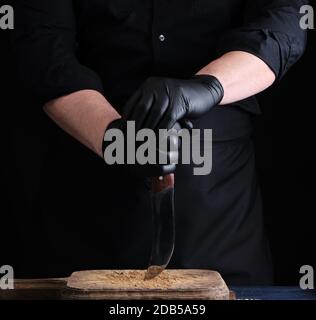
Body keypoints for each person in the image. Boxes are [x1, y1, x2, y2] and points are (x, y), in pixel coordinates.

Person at [8, 0, 307, 285]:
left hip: (221, 215)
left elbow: (285, 20)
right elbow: (42, 45)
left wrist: (208, 87)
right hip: (88, 198)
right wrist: (115, 139)